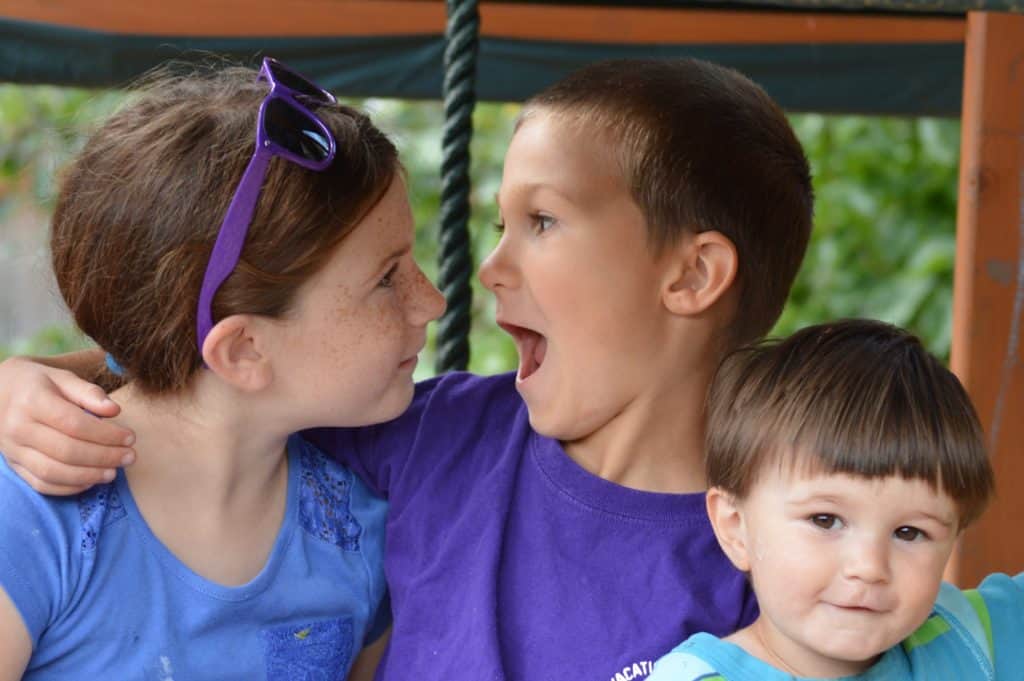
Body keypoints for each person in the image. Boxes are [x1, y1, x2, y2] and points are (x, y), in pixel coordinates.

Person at [0, 58, 814, 679]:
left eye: (541, 220)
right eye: (501, 222)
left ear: (692, 276)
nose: (485, 268)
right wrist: (21, 378)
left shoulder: (794, 537)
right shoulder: (437, 434)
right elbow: (206, 370)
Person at [0, 58, 447, 680]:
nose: (432, 301)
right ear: (243, 352)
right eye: (386, 278)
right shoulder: (27, 520)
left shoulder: (360, 536)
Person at [649, 319, 1022, 680]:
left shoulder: (977, 636)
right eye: (825, 520)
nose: (869, 566)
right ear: (736, 527)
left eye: (909, 532)